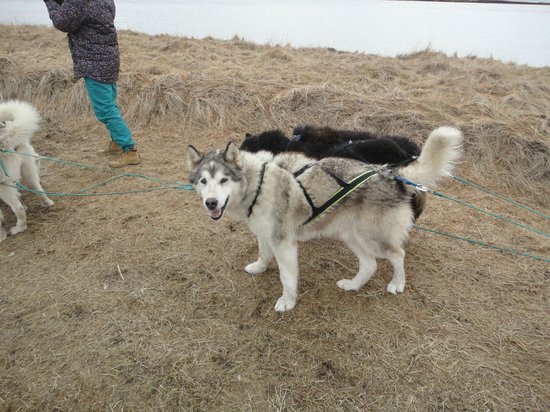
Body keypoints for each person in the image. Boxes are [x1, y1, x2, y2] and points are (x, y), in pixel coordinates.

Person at [44, 0, 141, 168]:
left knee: (105, 110)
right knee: (109, 102)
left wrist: (50, 2)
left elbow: (62, 22)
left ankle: (130, 151)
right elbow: (82, 14)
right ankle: (117, 142)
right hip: (109, 57)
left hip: (93, 62)